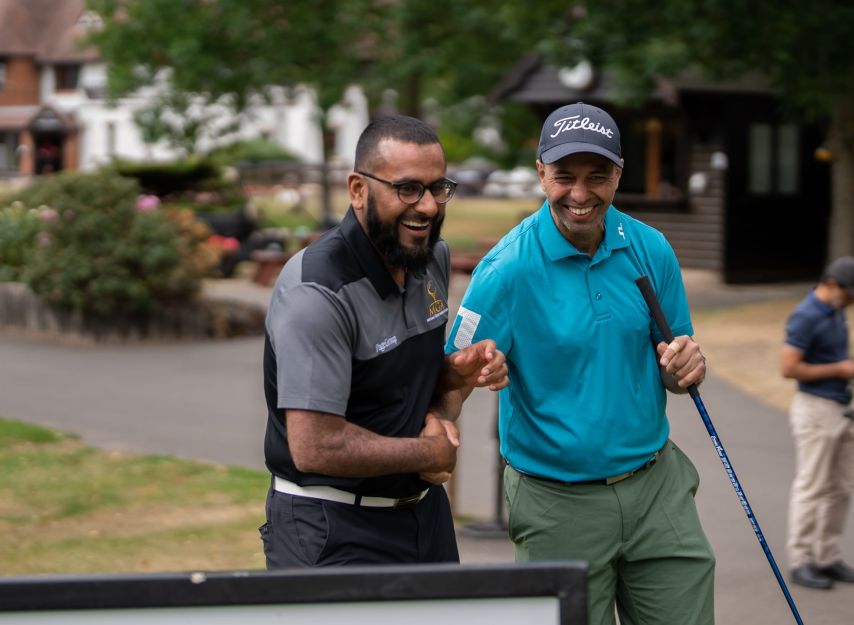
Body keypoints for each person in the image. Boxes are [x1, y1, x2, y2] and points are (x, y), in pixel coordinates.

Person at [446, 102, 714, 625]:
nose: (580, 193)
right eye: (564, 176)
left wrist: (685, 367)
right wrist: (474, 371)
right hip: (555, 502)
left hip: (656, 486)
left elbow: (675, 362)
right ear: (542, 173)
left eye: (597, 176)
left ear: (618, 174)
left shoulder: (651, 249)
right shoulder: (505, 270)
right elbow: (451, 371)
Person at [260, 115, 508, 567]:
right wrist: (428, 452)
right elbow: (315, 445)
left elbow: (400, 388)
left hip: (423, 518)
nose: (429, 207)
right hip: (330, 528)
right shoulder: (316, 292)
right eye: (408, 188)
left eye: (438, 188)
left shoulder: (430, 256)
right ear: (358, 189)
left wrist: (454, 375)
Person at [780, 256, 854, 589]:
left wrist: (849, 365)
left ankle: (827, 556)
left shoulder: (835, 312)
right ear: (832, 284)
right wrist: (839, 370)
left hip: (842, 407)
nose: (853, 301)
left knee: (841, 487)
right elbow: (788, 368)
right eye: (850, 294)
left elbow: (829, 359)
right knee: (813, 485)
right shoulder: (805, 316)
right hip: (816, 409)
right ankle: (801, 560)